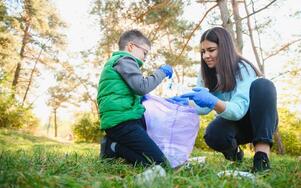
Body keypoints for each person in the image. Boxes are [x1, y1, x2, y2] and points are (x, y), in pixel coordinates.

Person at [179, 27, 278, 172]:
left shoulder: (243, 68)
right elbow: (203, 108)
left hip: (259, 120)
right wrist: (184, 103)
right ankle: (235, 155)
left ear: (224, 48)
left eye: (211, 50)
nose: (206, 56)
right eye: (203, 52)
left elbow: (238, 110)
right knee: (213, 133)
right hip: (234, 124)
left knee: (264, 85)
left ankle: (261, 157)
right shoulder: (205, 74)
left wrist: (212, 101)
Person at [97, 29, 173, 166]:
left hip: (121, 121)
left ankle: (113, 146)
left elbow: (133, 91)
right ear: (131, 47)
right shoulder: (125, 59)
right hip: (124, 122)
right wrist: (161, 72)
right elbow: (141, 87)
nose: (145, 58)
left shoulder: (116, 62)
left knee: (150, 160)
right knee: (161, 164)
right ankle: (113, 147)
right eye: (145, 52)